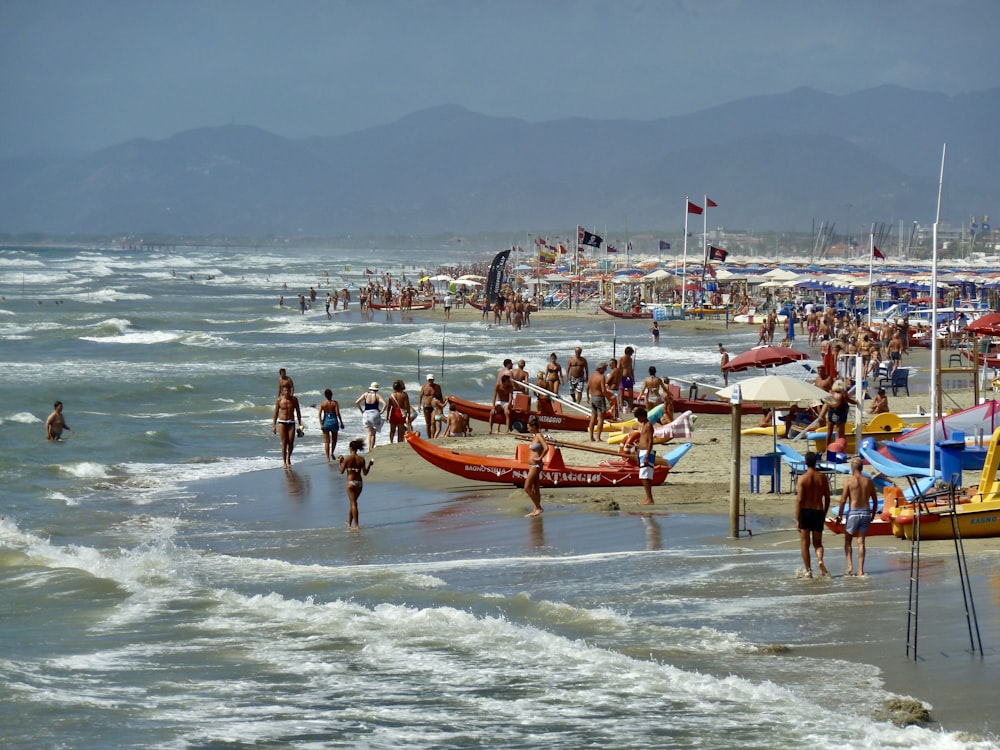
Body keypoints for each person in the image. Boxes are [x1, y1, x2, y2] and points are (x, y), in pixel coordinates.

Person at [835, 457, 879, 576]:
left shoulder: (848, 481)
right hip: (865, 512)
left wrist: (839, 516)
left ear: (852, 468)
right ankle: (860, 570)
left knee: (848, 540)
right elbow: (875, 501)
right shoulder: (868, 481)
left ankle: (850, 567)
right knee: (861, 542)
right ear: (862, 468)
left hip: (853, 512)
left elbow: (843, 500)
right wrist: (873, 514)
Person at [795, 451, 831, 578]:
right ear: (816, 462)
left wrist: (798, 518)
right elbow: (827, 498)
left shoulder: (802, 478)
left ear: (805, 462)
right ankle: (820, 560)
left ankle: (808, 572)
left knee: (805, 544)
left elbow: (799, 500)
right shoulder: (822, 477)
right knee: (818, 543)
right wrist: (824, 513)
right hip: (818, 511)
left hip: (805, 511)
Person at [338, 438, 372, 530]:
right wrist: (369, 465)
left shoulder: (347, 459)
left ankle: (356, 525)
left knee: (353, 503)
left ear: (351, 448)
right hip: (359, 483)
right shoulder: (361, 459)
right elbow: (365, 473)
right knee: (353, 503)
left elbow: (341, 471)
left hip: (350, 482)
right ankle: (349, 522)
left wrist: (340, 462)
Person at [272, 383, 302, 468]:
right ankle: (284, 462)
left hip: (291, 422)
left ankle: (289, 457)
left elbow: (298, 412)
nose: (287, 392)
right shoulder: (279, 400)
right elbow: (276, 413)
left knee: (291, 442)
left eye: (288, 390)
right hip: (282, 422)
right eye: (285, 390)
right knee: (284, 442)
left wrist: (300, 424)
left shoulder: (294, 400)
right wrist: (274, 425)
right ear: (282, 391)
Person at [523, 415, 547, 517]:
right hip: (532, 465)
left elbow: (546, 448)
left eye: (529, 427)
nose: (528, 428)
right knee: (535, 487)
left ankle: (538, 507)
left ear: (534, 426)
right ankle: (535, 509)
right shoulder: (534, 436)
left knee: (527, 488)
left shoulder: (539, 436)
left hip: (536, 465)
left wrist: (540, 457)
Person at [355, 381, 387, 452]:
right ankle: (372, 448)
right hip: (374, 414)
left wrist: (361, 410)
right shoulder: (377, 395)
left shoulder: (366, 394)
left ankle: (369, 448)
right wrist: (381, 411)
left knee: (369, 433)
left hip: (366, 414)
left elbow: (357, 402)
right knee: (373, 433)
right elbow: (385, 404)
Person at [634, 406, 655, 505]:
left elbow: (651, 441)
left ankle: (649, 498)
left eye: (638, 417)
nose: (638, 419)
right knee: (644, 476)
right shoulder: (643, 425)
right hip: (642, 451)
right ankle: (647, 497)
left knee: (645, 476)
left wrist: (646, 456)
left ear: (643, 416)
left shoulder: (648, 425)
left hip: (646, 452)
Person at [586, 361, 611, 441]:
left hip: (593, 397)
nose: (605, 370)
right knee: (600, 418)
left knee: (593, 418)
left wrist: (587, 397)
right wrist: (609, 399)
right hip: (599, 398)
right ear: (600, 368)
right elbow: (603, 390)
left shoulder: (591, 376)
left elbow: (587, 388)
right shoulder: (601, 377)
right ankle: (598, 438)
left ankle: (591, 437)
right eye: (604, 368)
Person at [317, 388, 344, 461]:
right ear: (331, 395)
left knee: (327, 442)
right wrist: (341, 422)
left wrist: (321, 424)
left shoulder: (323, 404)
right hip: (334, 422)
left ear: (325, 396)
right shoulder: (335, 403)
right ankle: (332, 452)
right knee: (334, 440)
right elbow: (338, 413)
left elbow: (319, 414)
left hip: (326, 423)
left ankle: (327, 458)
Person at [619, 346, 635, 412]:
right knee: (621, 394)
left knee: (631, 394)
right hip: (622, 378)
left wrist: (633, 378)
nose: (631, 355)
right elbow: (618, 369)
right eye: (631, 353)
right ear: (628, 353)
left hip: (629, 378)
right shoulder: (621, 359)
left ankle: (631, 408)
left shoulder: (630, 359)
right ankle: (622, 407)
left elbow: (631, 369)